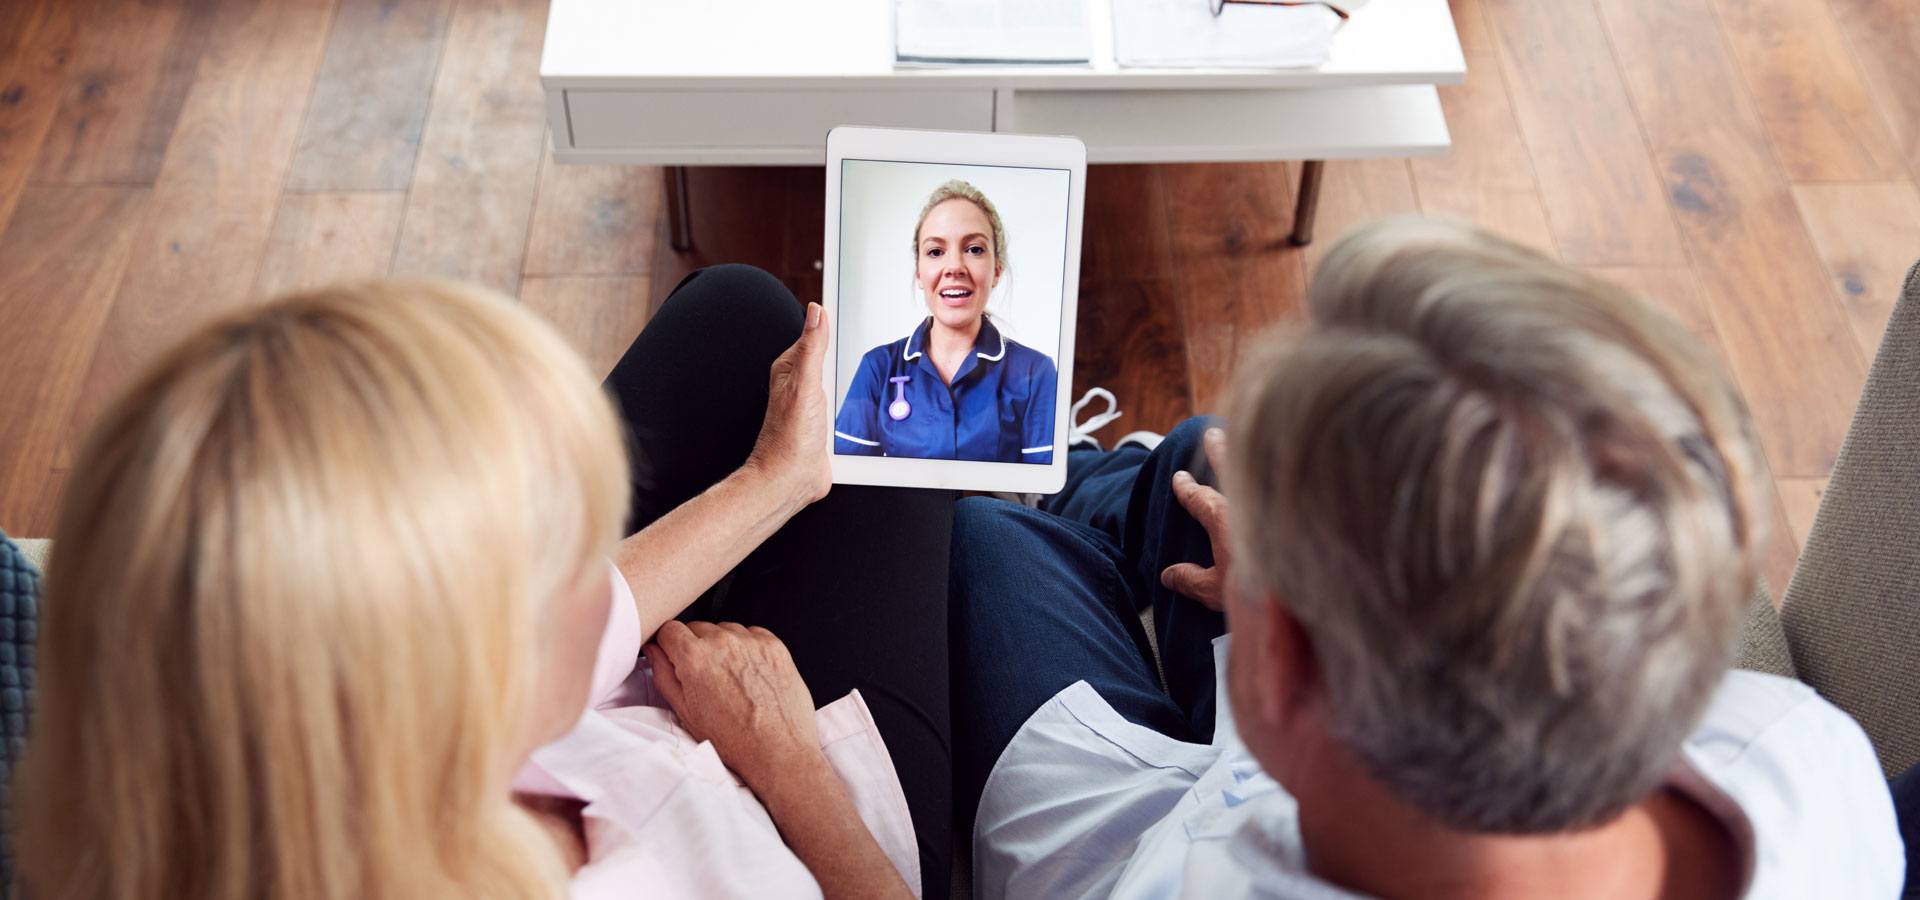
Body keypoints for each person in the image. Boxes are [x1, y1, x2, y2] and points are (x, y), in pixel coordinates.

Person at [951, 218, 1904, 898]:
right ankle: (1105, 482)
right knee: (1201, 455)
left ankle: (1075, 491)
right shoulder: (1803, 755)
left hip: (1137, 846)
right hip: (1327, 769)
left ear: (1276, 658)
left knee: (982, 534)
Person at [16, 267, 953, 899]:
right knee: (913, 448)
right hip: (813, 812)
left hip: (648, 728)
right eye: (537, 554)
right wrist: (789, 767)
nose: (581, 569)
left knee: (740, 311)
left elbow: (563, 633)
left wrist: (772, 483)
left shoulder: (277, 752)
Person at [834, 179, 1059, 464]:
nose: (954, 267)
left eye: (974, 249)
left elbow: (1041, 497)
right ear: (919, 272)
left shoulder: (1035, 373)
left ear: (997, 271)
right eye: (935, 252)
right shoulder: (877, 368)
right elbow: (846, 481)